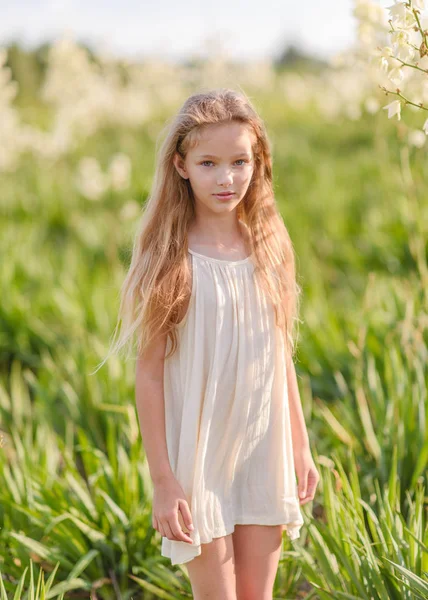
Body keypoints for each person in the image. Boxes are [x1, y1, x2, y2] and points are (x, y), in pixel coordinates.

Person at [105, 88, 319, 599]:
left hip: (262, 451)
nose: (226, 178)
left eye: (239, 161)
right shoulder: (170, 258)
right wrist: (163, 479)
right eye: (208, 163)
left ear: (258, 161)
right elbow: (151, 374)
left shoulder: (270, 247)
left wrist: (301, 445)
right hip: (199, 462)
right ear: (180, 166)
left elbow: (279, 355)